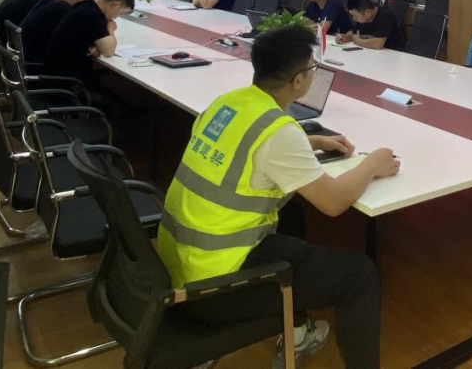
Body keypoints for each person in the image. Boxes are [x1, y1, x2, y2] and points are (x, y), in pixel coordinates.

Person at [158, 25, 398, 369]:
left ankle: (296, 330)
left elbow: (252, 147)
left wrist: (310, 141)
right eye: (313, 68)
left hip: (180, 263)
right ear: (299, 80)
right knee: (359, 275)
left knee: (292, 215)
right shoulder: (278, 132)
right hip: (215, 288)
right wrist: (373, 164)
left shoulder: (228, 103)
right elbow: (333, 203)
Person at [44, 0, 134, 83]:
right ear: (115, 5)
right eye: (120, 13)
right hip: (67, 78)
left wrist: (97, 46)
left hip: (55, 69)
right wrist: (111, 28)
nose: (116, 17)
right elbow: (109, 52)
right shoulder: (93, 15)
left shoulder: (85, 6)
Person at [20, 0, 100, 65]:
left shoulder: (49, 0)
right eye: (90, 4)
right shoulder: (64, 11)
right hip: (36, 63)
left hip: (24, 57)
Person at [337, 0, 406, 51]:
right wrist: (344, 38)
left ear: (368, 12)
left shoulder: (385, 15)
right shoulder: (363, 19)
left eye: (356, 16)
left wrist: (358, 41)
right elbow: (352, 33)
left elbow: (378, 44)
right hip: (372, 53)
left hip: (393, 55)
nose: (354, 19)